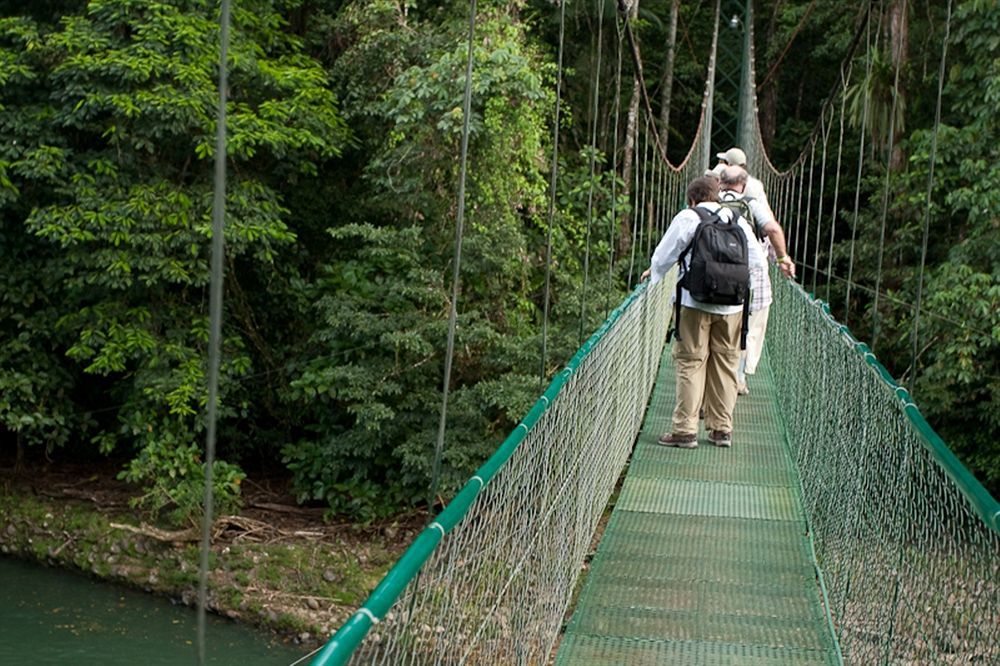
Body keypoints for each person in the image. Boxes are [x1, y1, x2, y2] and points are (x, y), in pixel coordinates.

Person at [642, 176, 766, 449]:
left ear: (692, 199)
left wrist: (654, 276)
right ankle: (721, 430)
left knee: (691, 362)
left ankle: (685, 431)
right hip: (732, 306)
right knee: (725, 365)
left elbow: (664, 255)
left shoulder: (689, 216)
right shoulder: (737, 221)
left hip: (694, 303)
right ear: (717, 197)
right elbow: (757, 261)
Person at [714, 150, 797, 279]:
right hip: (750, 254)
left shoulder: (713, 195)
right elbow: (771, 224)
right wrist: (780, 256)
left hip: (717, 254)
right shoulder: (755, 186)